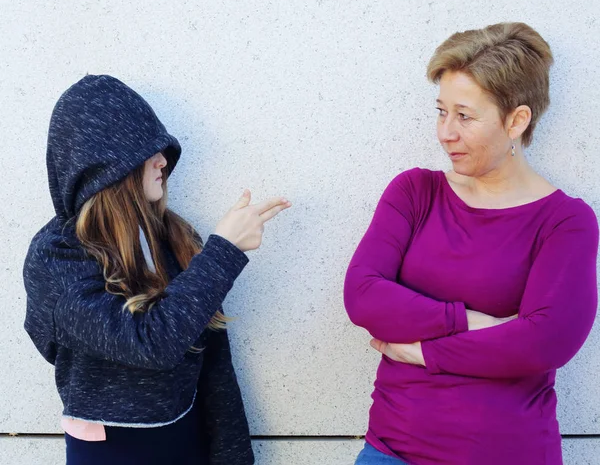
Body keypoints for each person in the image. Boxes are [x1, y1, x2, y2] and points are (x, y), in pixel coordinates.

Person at [344, 23, 598, 465]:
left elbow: (545, 343)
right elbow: (363, 296)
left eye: (465, 116)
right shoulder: (415, 193)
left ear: (516, 120)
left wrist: (423, 352)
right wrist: (475, 321)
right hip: (392, 452)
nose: (445, 132)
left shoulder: (565, 221)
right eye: (441, 111)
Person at [23, 74, 291, 465]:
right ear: (106, 164)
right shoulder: (57, 257)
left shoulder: (176, 237)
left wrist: (234, 458)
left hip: (190, 436)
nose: (163, 160)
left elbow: (213, 364)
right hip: (112, 451)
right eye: (147, 151)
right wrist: (224, 251)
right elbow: (151, 345)